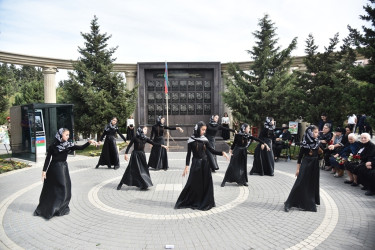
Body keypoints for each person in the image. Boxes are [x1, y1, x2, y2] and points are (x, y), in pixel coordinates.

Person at [34, 128, 97, 219]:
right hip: (54, 168)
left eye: (68, 135)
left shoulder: (69, 145)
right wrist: (44, 171)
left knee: (66, 186)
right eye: (66, 135)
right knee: (59, 187)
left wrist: (89, 142)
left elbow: (81, 147)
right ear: (60, 135)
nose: (68, 136)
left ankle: (60, 207)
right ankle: (53, 208)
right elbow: (48, 159)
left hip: (63, 168)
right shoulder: (53, 146)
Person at [175, 121, 229, 211]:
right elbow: (188, 154)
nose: (204, 132)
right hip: (196, 164)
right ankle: (193, 200)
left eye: (205, 130)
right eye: (203, 130)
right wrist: (186, 166)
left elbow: (211, 150)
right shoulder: (191, 140)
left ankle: (204, 201)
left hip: (205, 164)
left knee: (206, 184)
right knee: (193, 183)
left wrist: (222, 153)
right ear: (198, 129)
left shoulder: (204, 139)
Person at [284, 125, 321, 212]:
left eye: (317, 132)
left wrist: (332, 147)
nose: (317, 134)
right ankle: (289, 202)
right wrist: (298, 169)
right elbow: (300, 157)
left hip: (315, 164)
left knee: (312, 183)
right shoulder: (304, 144)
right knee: (299, 182)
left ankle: (311, 201)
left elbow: (322, 151)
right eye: (315, 132)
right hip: (306, 163)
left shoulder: (318, 142)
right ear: (310, 133)